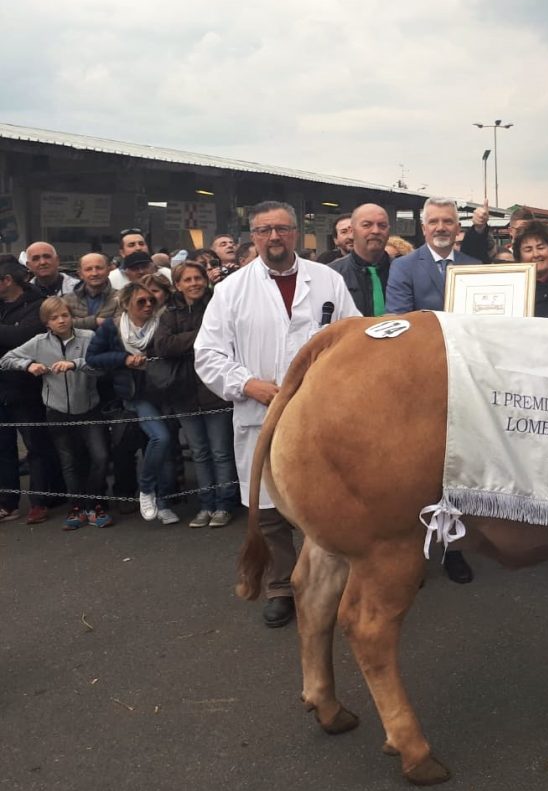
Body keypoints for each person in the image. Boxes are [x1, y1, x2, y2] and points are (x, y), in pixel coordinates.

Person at [195, 201, 362, 627]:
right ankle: (282, 585)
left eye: (283, 230)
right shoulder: (230, 291)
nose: (274, 238)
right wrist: (246, 383)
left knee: (322, 504)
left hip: (318, 414)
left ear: (296, 234)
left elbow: (353, 338)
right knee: (268, 513)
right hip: (259, 412)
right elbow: (208, 354)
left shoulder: (327, 281)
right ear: (253, 236)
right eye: (265, 230)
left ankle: (325, 582)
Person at [0, 296, 111, 529]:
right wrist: (28, 365)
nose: (61, 321)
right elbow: (7, 359)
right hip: (57, 411)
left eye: (65, 315)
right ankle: (78, 507)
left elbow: (101, 367)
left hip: (89, 409)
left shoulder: (88, 338)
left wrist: (76, 364)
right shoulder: (39, 342)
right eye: (54, 318)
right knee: (68, 462)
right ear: (46, 323)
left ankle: (96, 503)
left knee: (99, 457)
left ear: (72, 317)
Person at [153, 262, 238, 529]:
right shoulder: (169, 313)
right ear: (177, 285)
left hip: (215, 391)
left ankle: (224, 503)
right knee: (200, 453)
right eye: (187, 279)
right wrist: (202, 336)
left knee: (221, 452)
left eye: (198, 278)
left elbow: (227, 339)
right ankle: (206, 504)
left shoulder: (218, 305)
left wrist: (186, 341)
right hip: (183, 392)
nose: (193, 283)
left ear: (206, 280)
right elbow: (164, 346)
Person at [88, 282, 179, 524]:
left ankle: (164, 504)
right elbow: (92, 357)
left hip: (165, 390)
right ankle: (146, 488)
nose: (148, 305)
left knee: (166, 452)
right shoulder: (112, 327)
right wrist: (124, 358)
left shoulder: (163, 323)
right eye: (141, 301)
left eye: (151, 300)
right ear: (126, 304)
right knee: (161, 438)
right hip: (136, 394)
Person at [0, 258, 63, 524]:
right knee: (2, 448)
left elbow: (23, 339)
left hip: (27, 387)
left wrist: (10, 334)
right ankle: (7, 502)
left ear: (7, 281)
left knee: (36, 446)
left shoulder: (37, 304)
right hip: (1, 388)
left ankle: (40, 500)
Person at [385, 198, 482, 315]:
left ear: (458, 228)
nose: (440, 228)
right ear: (424, 229)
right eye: (433, 222)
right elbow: (399, 317)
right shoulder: (403, 267)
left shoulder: (475, 267)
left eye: (448, 222)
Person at [331, 203, 394, 317]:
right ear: (353, 231)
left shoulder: (405, 272)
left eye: (382, 225)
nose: (376, 231)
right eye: (367, 225)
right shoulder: (332, 274)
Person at [67, 252, 119, 330]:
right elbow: (62, 325)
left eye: (99, 268)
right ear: (80, 274)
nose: (94, 273)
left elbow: (120, 326)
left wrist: (78, 322)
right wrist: (96, 321)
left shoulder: (122, 298)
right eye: (88, 269)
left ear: (108, 271)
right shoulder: (67, 300)